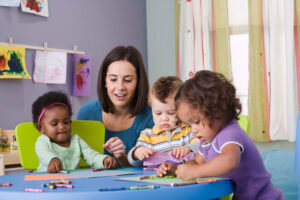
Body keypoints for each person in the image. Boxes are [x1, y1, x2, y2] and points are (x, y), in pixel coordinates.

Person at [157, 70, 283, 199]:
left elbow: (229, 160)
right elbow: (196, 162)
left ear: (217, 110)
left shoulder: (230, 132)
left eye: (196, 122)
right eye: (189, 125)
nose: (193, 130)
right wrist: (177, 169)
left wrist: (194, 171)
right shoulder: (207, 139)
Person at [77, 46, 154, 167]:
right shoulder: (87, 113)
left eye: (128, 80)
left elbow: (148, 172)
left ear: (139, 83)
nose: (120, 87)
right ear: (105, 81)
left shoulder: (152, 118)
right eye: (113, 79)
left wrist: (122, 157)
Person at [32, 91, 118, 173]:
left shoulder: (76, 140)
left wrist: (104, 160)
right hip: (47, 181)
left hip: (73, 182)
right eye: (54, 124)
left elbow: (91, 155)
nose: (62, 127)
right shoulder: (43, 141)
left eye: (66, 122)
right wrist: (52, 159)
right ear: (40, 128)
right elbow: (44, 153)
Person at [127, 76, 199, 167]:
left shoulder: (188, 129)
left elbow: (202, 146)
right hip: (156, 178)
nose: (164, 118)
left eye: (171, 113)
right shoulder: (147, 136)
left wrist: (188, 148)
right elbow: (131, 159)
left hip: (184, 175)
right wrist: (137, 153)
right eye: (158, 113)